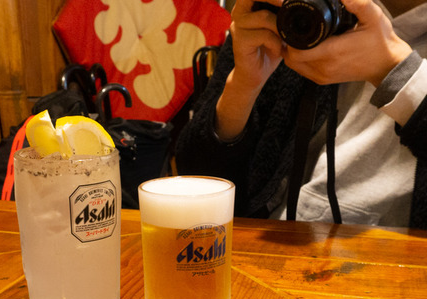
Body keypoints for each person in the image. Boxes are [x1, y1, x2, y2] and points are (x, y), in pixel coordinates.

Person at [175, 0, 427, 229]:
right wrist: (243, 84)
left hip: (400, 254)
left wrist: (397, 70)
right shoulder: (289, 9)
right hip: (268, 239)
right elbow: (198, 179)